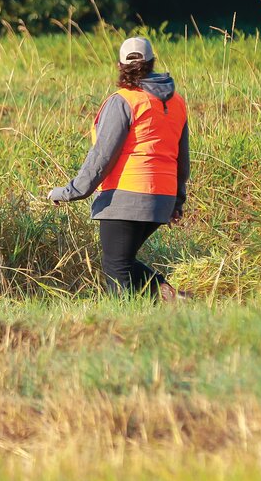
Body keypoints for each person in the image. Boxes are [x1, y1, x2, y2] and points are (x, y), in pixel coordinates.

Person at [47, 37, 190, 300]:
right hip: (162, 199)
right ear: (152, 63)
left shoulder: (122, 101)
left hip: (126, 195)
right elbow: (183, 159)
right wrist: (177, 201)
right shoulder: (177, 102)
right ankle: (168, 295)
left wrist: (71, 191)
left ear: (119, 65)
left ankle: (123, 319)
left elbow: (102, 156)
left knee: (116, 266)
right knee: (123, 260)